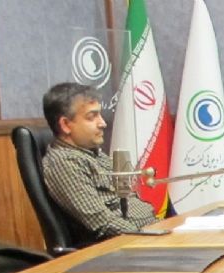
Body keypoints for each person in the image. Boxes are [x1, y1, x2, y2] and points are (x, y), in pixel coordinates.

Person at [41, 82, 156, 246]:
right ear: (65, 125)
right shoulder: (64, 162)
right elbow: (104, 223)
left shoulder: (92, 153)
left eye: (100, 115)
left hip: (149, 233)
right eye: (91, 117)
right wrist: (151, 238)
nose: (102, 123)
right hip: (125, 247)